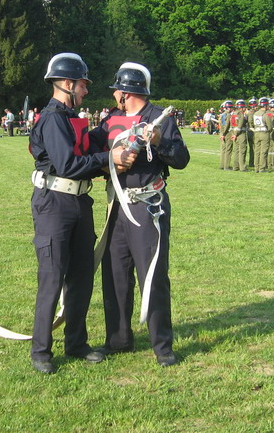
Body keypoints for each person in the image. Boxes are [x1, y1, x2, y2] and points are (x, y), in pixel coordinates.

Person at [28, 52, 133, 375]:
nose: (86, 91)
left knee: (81, 276)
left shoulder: (70, 116)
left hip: (79, 202)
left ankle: (76, 343)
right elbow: (67, 165)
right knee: (52, 276)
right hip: (54, 204)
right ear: (67, 83)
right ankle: (41, 350)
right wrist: (109, 157)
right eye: (83, 85)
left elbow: (85, 153)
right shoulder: (52, 119)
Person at [91, 62, 189, 367]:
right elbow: (91, 152)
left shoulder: (159, 118)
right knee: (115, 274)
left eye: (116, 90)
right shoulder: (110, 120)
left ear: (126, 92)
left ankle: (162, 345)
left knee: (153, 274)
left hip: (147, 206)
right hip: (116, 205)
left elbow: (181, 159)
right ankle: (118, 339)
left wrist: (159, 141)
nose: (114, 95)